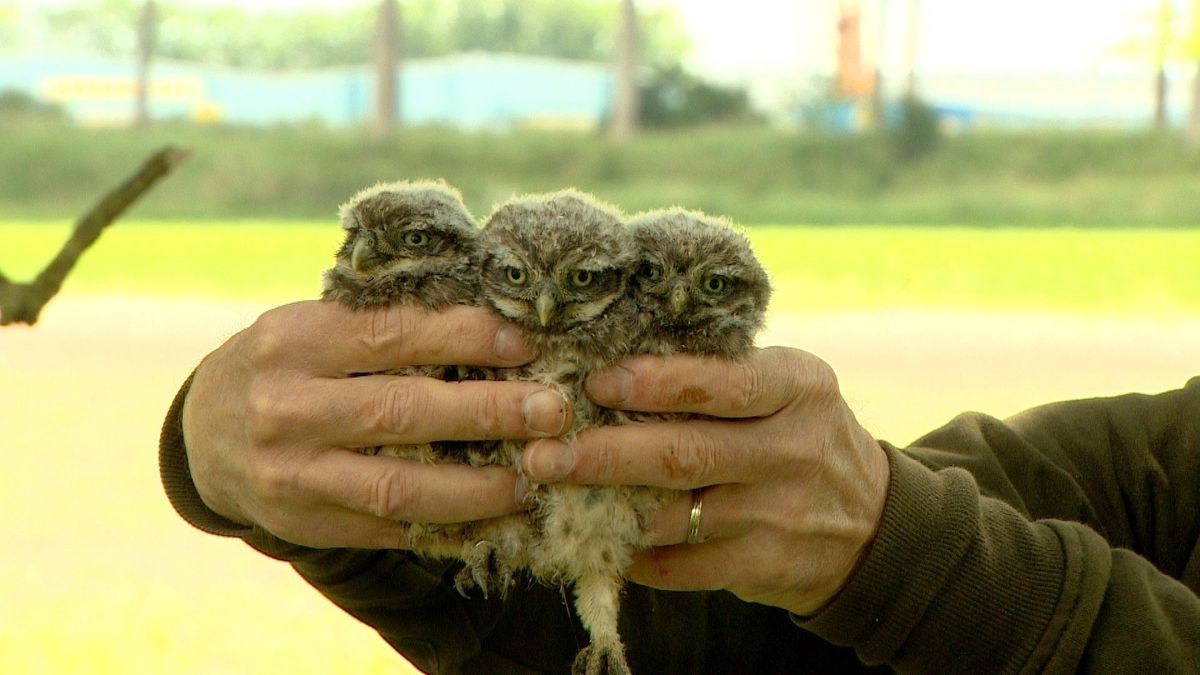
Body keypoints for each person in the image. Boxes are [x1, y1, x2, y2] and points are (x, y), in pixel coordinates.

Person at [160, 300, 1200, 673]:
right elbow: (735, 646)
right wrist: (269, 461)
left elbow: (926, 558)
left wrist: (899, 545)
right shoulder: (1171, 455)